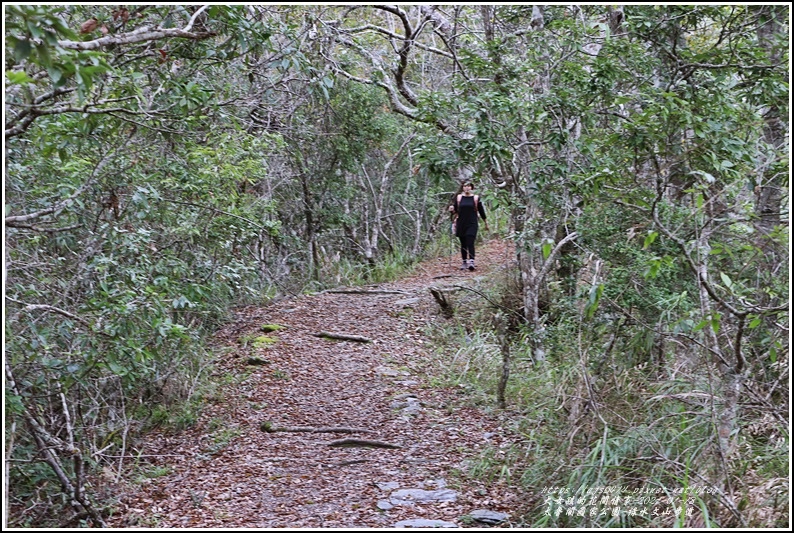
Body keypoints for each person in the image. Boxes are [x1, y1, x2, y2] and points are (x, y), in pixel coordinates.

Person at [449, 181, 489, 271]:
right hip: (461, 223)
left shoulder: (475, 198)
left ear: (471, 188)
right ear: (463, 187)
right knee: (463, 243)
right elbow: (455, 210)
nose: (467, 188)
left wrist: (486, 223)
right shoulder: (459, 198)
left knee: (470, 240)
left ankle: (471, 261)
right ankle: (464, 261)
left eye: (469, 186)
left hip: (472, 223)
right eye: (465, 186)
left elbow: (481, 211)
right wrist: (451, 210)